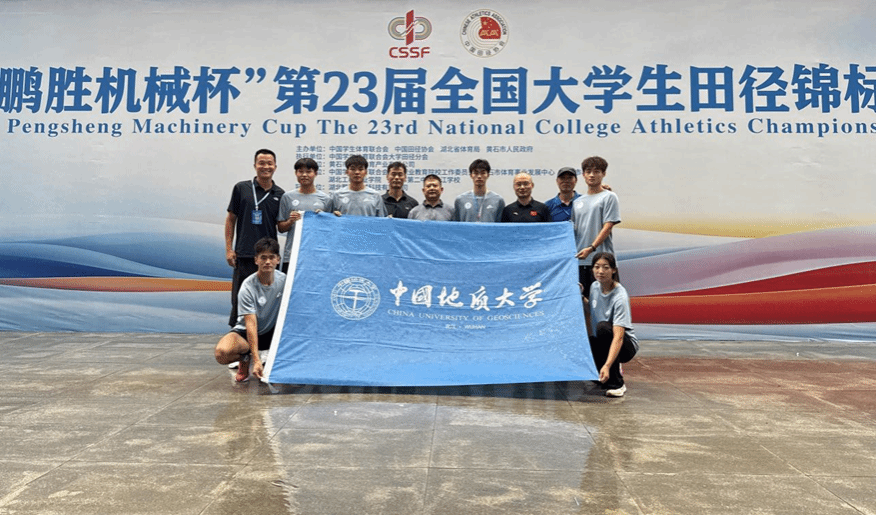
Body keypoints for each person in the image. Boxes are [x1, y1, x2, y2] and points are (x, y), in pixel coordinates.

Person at [225, 149, 284, 327]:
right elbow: (231, 219)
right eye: (261, 163)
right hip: (244, 253)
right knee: (239, 298)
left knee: (268, 300)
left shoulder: (280, 194)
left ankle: (265, 335)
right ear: (255, 166)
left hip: (268, 258)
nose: (266, 167)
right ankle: (238, 335)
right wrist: (229, 249)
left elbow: (282, 226)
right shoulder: (241, 188)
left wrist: (294, 219)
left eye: (269, 163)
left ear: (275, 167)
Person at [214, 237, 286, 382]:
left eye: (271, 257)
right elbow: (251, 324)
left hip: (273, 333)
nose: (267, 262)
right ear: (256, 260)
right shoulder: (247, 287)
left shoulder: (285, 281)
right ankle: (245, 358)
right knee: (222, 353)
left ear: (278, 260)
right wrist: (256, 360)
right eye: (263, 258)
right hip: (248, 332)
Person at [584, 252, 638, 397]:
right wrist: (581, 296)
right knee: (589, 338)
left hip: (625, 345)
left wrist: (607, 365)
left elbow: (618, 337)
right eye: (597, 267)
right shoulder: (595, 286)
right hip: (604, 337)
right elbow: (592, 309)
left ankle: (618, 384)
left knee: (603, 328)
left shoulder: (620, 296)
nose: (600, 271)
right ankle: (604, 374)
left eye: (606, 267)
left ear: (613, 270)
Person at [572, 156, 620, 288]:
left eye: (596, 171)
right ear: (583, 174)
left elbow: (608, 226)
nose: (592, 175)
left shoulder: (609, 197)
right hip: (580, 261)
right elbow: (574, 231)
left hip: (602, 263)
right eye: (588, 171)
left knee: (606, 299)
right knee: (583, 299)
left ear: (603, 174)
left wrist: (591, 248)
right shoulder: (577, 202)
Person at [277, 157, 330, 274]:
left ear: (316, 174)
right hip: (292, 255)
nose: (304, 175)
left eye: (308, 171)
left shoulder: (326, 199)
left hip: (317, 255)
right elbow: (281, 228)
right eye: (300, 171)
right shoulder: (287, 197)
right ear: (296, 173)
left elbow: (330, 229)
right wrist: (290, 221)